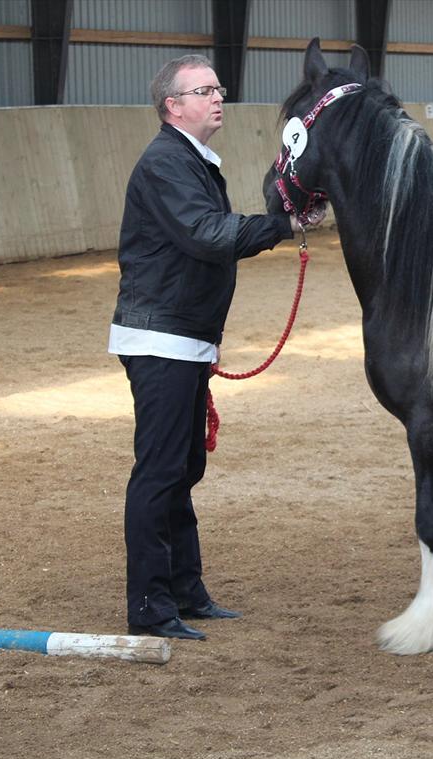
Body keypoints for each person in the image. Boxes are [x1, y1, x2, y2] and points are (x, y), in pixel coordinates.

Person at [109, 54, 324, 640]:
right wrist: (283, 224)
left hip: (183, 338)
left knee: (182, 468)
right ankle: (150, 606)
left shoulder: (190, 161)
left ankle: (185, 591)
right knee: (160, 472)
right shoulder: (166, 163)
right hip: (162, 339)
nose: (217, 98)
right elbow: (207, 235)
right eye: (203, 91)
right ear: (173, 106)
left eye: (217, 89)